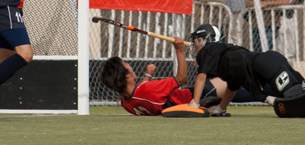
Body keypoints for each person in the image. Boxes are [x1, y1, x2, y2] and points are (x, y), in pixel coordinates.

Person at [187, 24, 305, 118]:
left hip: (265, 64)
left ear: (203, 39)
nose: (194, 46)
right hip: (269, 62)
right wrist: (221, 108)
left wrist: (195, 103)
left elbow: (201, 77)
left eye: (195, 41)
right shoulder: (225, 57)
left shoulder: (208, 50)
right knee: (301, 91)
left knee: (294, 93)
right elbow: (232, 87)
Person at [99, 36, 253, 116]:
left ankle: (267, 95)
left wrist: (147, 75)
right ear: (126, 76)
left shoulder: (126, 103)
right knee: (239, 81)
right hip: (195, 97)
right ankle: (269, 94)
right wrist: (179, 50)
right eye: (127, 65)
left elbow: (138, 92)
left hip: (185, 101)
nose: (130, 65)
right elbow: (181, 79)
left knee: (239, 88)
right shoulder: (148, 90)